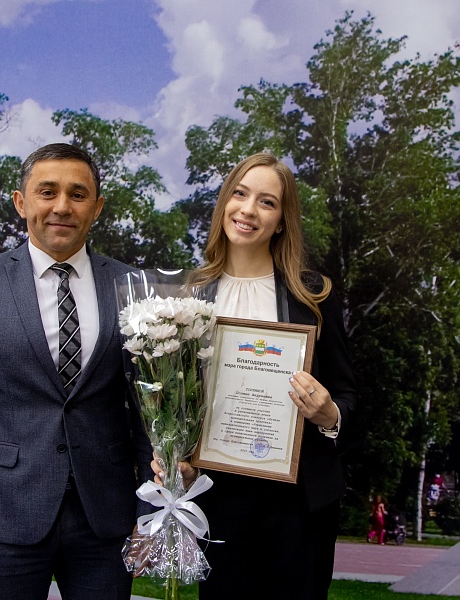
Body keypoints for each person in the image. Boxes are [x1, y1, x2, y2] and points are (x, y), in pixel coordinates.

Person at [0, 143, 153, 599]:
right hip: (2, 519)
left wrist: (151, 512)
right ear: (21, 201)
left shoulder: (134, 287)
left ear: (97, 207)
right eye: (47, 192)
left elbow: (151, 412)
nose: (62, 206)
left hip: (107, 522)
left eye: (78, 194)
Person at [156, 153, 357, 599]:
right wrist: (173, 455)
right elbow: (172, 403)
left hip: (299, 504)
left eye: (267, 202)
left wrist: (329, 415)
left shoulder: (313, 296)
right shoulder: (187, 300)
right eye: (240, 194)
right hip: (219, 497)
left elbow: (347, 394)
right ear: (224, 203)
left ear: (282, 221)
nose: (248, 210)